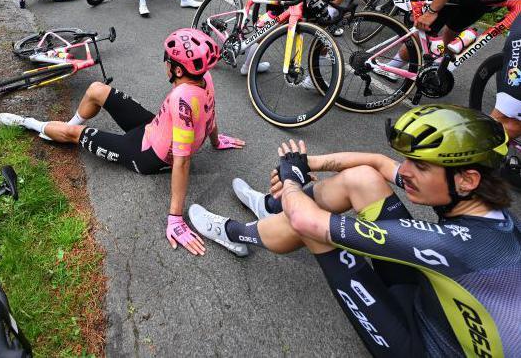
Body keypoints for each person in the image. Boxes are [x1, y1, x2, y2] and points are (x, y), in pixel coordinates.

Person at [190, 104, 521, 356]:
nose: (405, 172)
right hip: (436, 304)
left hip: (419, 346)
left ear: (467, 179)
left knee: (311, 225)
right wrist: (307, 164)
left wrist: (291, 180)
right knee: (363, 180)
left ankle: (235, 233)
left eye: (419, 166)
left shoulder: (457, 246)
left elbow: (310, 222)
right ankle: (272, 209)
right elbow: (376, 164)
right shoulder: (487, 209)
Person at [0, 28, 245, 255]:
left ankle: (28, 123)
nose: (165, 63)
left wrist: (176, 218)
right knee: (96, 89)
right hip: (152, 126)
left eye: (168, 60)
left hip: (143, 154)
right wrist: (214, 140)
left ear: (178, 70)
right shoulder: (204, 78)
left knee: (74, 137)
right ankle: (66, 126)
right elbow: (210, 112)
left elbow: (182, 163)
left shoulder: (182, 98)